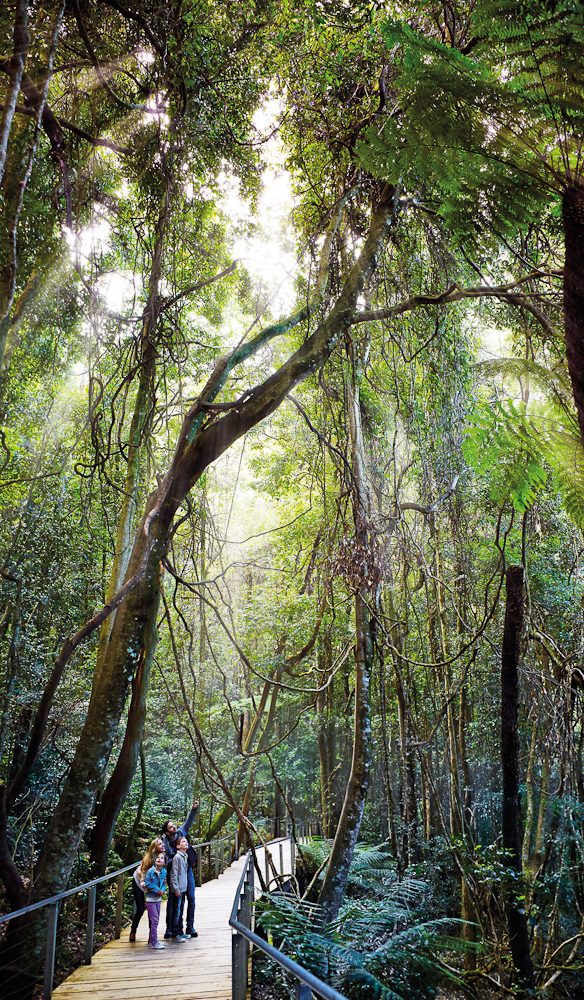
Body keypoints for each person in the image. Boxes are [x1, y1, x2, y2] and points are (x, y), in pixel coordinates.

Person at [162, 800, 199, 939]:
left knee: (191, 898)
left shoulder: (181, 833)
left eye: (174, 825)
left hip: (187, 870)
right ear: (167, 831)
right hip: (174, 872)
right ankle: (171, 928)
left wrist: (193, 809)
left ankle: (190, 926)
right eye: (171, 827)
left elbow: (188, 822)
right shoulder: (165, 842)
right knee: (175, 901)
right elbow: (164, 857)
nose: (174, 827)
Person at [129, 838, 165, 943]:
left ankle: (152, 936)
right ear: (154, 847)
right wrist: (145, 885)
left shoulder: (162, 857)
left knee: (152, 909)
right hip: (139, 882)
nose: (162, 845)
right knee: (140, 909)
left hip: (151, 884)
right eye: (160, 844)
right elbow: (143, 874)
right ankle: (133, 930)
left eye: (162, 843)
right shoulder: (148, 858)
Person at [144, 851, 168, 950]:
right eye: (158, 857)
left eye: (162, 858)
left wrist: (162, 890)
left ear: (164, 862)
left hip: (158, 899)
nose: (159, 859)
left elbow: (164, 883)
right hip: (150, 899)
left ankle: (151, 940)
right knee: (154, 920)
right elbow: (147, 883)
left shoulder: (164, 871)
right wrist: (157, 890)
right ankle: (154, 942)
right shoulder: (150, 871)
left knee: (155, 920)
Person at [169, 836, 190, 941]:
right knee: (177, 912)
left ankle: (180, 932)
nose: (186, 842)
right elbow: (174, 874)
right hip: (178, 890)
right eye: (183, 841)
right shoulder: (177, 857)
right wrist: (176, 889)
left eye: (186, 841)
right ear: (178, 846)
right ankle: (175, 934)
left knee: (180, 911)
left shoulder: (184, 856)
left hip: (183, 888)